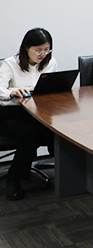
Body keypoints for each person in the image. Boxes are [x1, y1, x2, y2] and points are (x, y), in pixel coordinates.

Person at [0, 28, 56, 200]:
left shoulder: (50, 62)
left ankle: (69, 174)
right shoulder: (11, 63)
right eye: (38, 50)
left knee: (57, 129)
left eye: (46, 50)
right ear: (26, 48)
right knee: (32, 133)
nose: (42, 54)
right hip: (11, 113)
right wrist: (12, 92)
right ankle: (14, 180)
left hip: (38, 112)